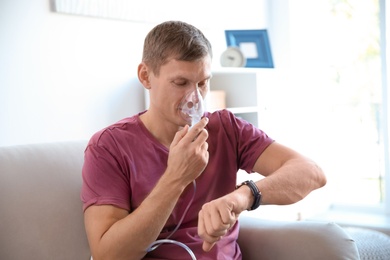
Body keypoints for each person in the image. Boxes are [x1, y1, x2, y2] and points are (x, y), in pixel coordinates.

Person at [81, 20, 327, 260]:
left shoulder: (226, 129)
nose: (195, 98)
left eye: (203, 83)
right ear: (146, 76)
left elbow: (311, 173)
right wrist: (176, 178)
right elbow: (108, 255)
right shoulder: (109, 147)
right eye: (181, 83)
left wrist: (243, 196)